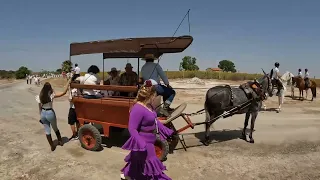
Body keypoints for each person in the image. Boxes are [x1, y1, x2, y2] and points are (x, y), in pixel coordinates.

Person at [120, 80, 174, 180]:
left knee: (139, 162)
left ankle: (129, 175)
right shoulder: (138, 108)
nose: (156, 97)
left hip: (150, 140)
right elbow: (132, 128)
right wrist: (141, 142)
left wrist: (166, 130)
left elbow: (154, 120)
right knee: (150, 165)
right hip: (144, 143)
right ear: (151, 95)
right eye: (156, 95)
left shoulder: (149, 106)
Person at [36, 80, 71, 151]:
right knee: (55, 128)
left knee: (47, 130)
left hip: (43, 113)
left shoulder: (40, 96)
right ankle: (60, 141)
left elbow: (39, 108)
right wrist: (67, 84)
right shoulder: (51, 95)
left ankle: (52, 145)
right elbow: (63, 93)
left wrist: (41, 116)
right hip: (50, 112)